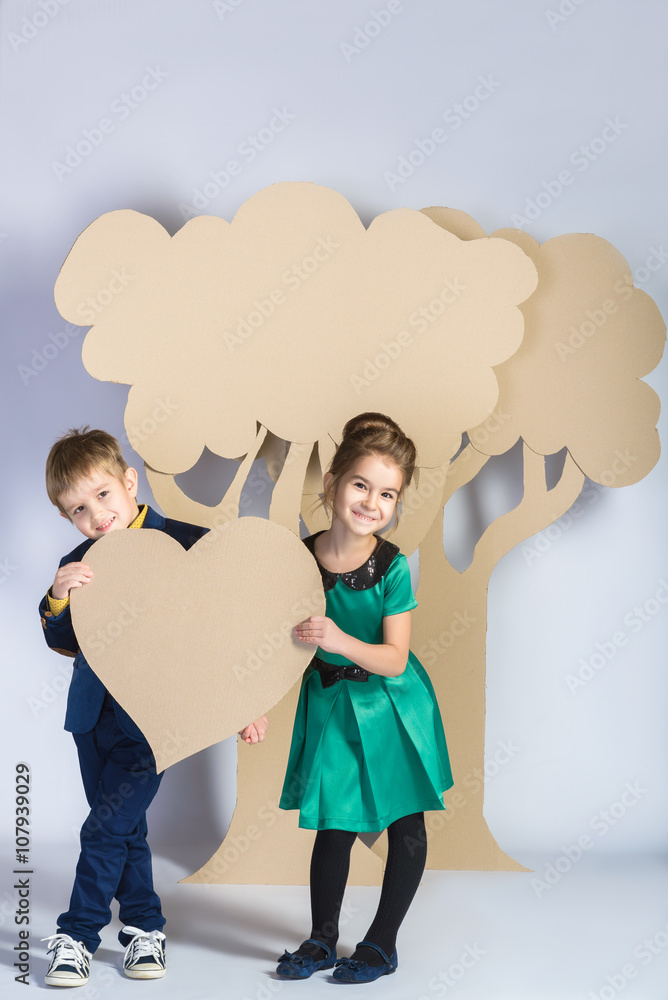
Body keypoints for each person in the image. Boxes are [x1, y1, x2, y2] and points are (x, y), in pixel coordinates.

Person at [39, 427, 267, 987]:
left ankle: (78, 936)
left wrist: (244, 703)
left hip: (154, 723)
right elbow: (64, 640)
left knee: (103, 829)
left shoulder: (190, 544)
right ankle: (144, 928)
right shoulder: (78, 562)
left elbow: (224, 632)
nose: (96, 515)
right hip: (91, 716)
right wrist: (57, 597)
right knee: (125, 829)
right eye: (78, 509)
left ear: (130, 482)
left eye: (103, 495)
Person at [276, 412, 453, 983]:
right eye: (361, 485)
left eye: (388, 494)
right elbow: (272, 645)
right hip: (331, 706)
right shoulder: (298, 559)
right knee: (334, 824)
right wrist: (253, 707)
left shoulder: (393, 567)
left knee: (405, 824)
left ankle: (381, 944)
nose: (372, 502)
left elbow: (395, 658)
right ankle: (321, 939)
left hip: (392, 708)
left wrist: (338, 639)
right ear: (332, 483)